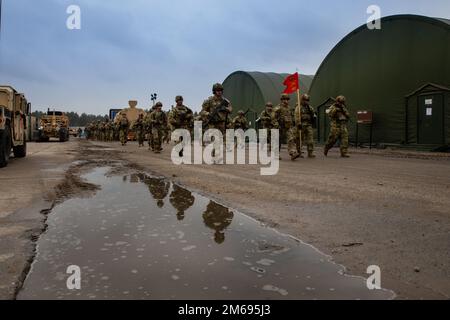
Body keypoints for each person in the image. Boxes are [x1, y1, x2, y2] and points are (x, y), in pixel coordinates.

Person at [273, 94, 300, 160]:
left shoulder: (289, 108)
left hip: (288, 127)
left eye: (287, 99)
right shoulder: (278, 108)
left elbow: (292, 117)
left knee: (291, 139)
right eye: (285, 99)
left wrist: (295, 124)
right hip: (279, 127)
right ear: (281, 100)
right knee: (277, 141)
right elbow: (273, 118)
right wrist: (276, 125)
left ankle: (293, 153)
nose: (286, 101)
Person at [295, 94, 317, 158]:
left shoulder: (310, 107)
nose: (306, 101)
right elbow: (296, 116)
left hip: (308, 125)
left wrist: (314, 117)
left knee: (310, 139)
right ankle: (299, 152)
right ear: (302, 100)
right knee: (300, 139)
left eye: (307, 100)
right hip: (301, 125)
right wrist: (298, 123)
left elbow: (313, 115)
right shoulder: (298, 107)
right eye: (305, 100)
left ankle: (310, 152)